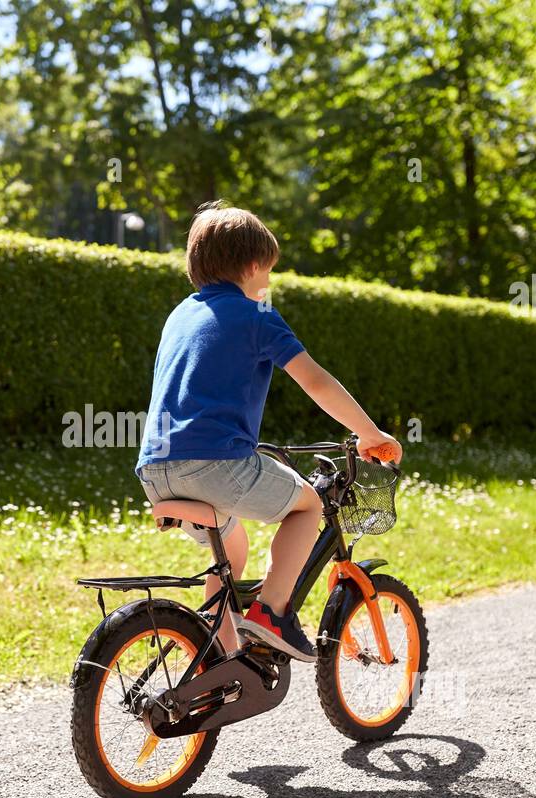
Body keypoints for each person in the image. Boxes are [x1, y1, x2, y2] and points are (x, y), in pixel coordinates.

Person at [135, 201, 402, 662]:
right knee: (308, 505)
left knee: (229, 549)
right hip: (216, 465)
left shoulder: (179, 316)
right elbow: (315, 380)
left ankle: (214, 656)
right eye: (269, 272)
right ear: (254, 265)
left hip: (155, 470)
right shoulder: (257, 316)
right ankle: (272, 612)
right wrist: (370, 432)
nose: (268, 283)